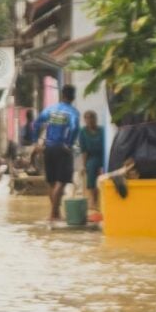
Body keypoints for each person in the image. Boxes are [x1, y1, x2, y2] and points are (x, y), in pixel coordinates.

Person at [35, 85, 81, 221]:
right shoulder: (73, 112)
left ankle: (56, 214)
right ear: (73, 96)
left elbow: (37, 123)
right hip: (62, 148)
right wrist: (69, 143)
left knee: (52, 182)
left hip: (48, 148)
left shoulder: (50, 110)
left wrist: (37, 142)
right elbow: (74, 128)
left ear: (62, 95)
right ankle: (52, 214)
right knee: (61, 182)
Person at [78, 110, 105, 213]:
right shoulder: (83, 132)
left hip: (103, 156)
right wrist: (83, 165)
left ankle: (102, 199)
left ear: (96, 119)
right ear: (84, 120)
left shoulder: (102, 130)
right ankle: (92, 201)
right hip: (92, 157)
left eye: (92, 117)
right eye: (87, 118)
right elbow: (84, 150)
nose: (89, 120)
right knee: (91, 168)